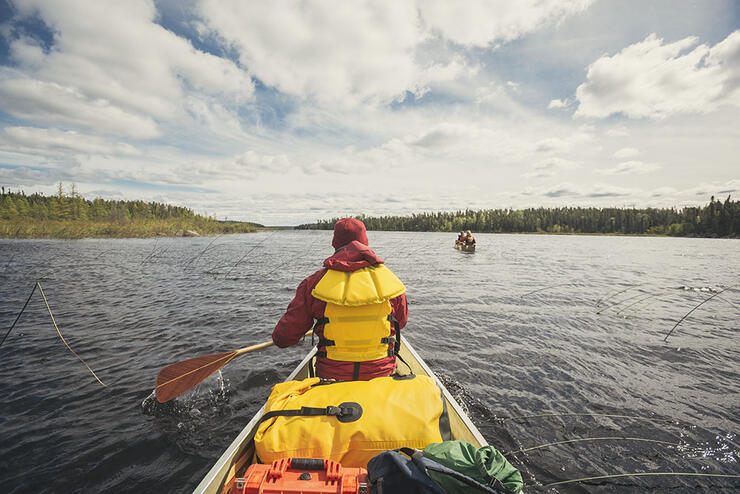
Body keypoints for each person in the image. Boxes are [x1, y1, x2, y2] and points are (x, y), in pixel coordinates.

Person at [272, 218, 408, 381]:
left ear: (334, 243)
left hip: (331, 378)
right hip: (381, 375)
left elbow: (283, 338)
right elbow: (401, 321)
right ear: (366, 242)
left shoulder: (313, 284)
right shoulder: (389, 282)